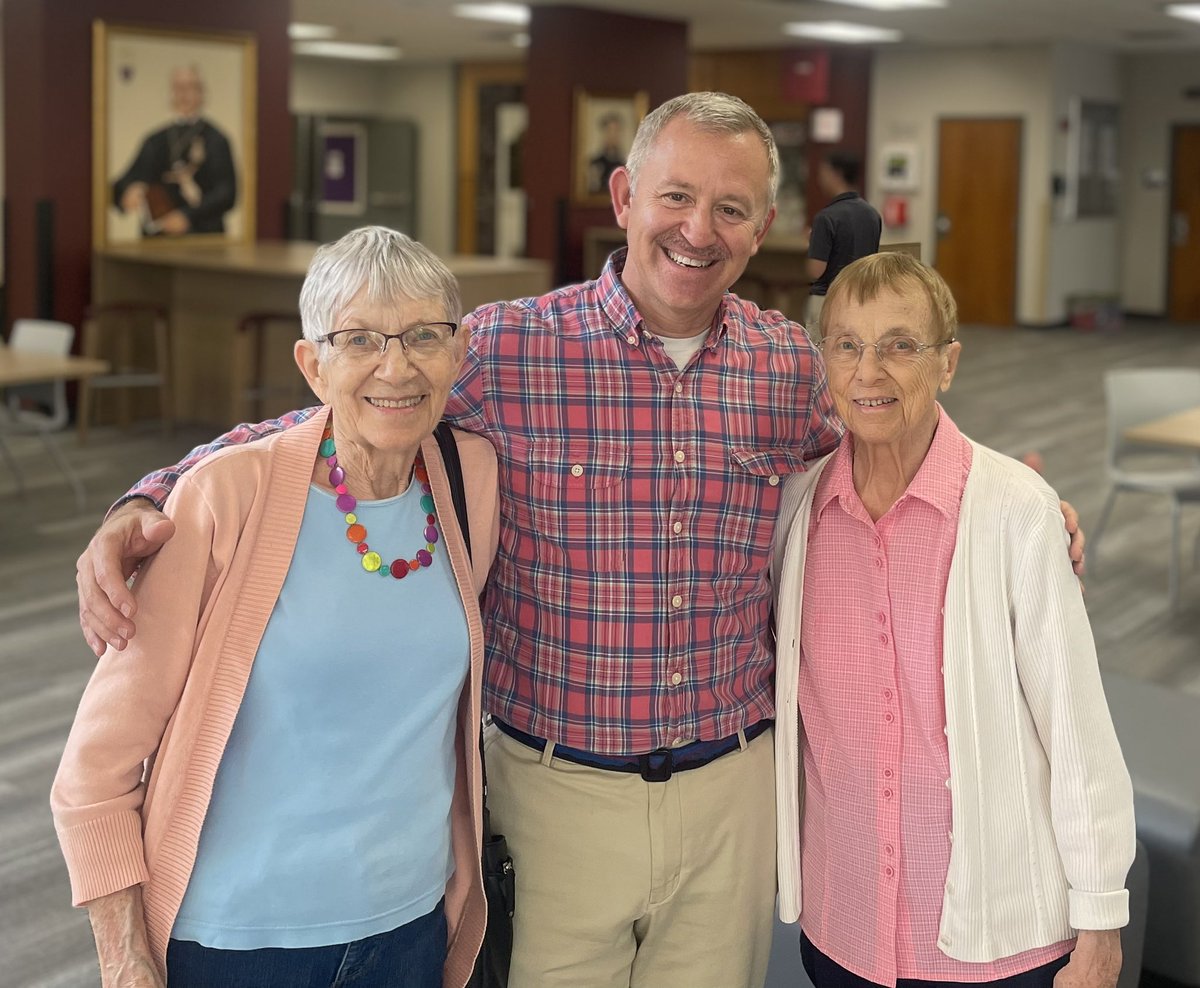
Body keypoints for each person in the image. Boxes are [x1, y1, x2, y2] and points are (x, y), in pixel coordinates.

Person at [74, 94, 1083, 988]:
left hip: (730, 788)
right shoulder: (511, 346)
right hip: (555, 793)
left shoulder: (788, 366)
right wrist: (146, 494)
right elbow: (342, 413)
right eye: (676, 197)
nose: (699, 229)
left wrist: (1015, 500)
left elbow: (891, 427)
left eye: (731, 209)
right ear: (624, 196)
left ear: (762, 226)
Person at [52, 227, 499, 988]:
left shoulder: (472, 480)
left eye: (425, 335)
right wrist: (125, 958)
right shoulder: (226, 497)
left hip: (410, 930)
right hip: (236, 943)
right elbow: (95, 766)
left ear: (458, 355)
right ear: (312, 365)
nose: (397, 365)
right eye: (359, 339)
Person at [771, 252, 1134, 988]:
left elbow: (1075, 724)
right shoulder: (794, 513)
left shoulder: (1015, 509)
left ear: (947, 364)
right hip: (843, 933)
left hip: (996, 946)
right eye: (847, 345)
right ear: (825, 363)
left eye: (900, 345)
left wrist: (1100, 923)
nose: (869, 371)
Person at [112, 65, 237, 236]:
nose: (184, 94)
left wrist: (187, 216)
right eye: (178, 88)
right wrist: (128, 191)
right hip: (158, 239)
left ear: (202, 93)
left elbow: (227, 193)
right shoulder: (155, 140)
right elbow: (127, 180)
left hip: (203, 237)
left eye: (191, 87)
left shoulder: (216, 140)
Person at [804, 152, 881, 330]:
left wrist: (814, 244)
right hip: (861, 299)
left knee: (822, 355)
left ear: (836, 173)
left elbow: (816, 270)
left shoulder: (826, 217)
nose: (820, 178)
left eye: (823, 172)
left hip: (827, 300)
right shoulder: (872, 214)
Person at [587, 111, 628, 195]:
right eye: (610, 130)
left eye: (616, 131)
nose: (613, 135)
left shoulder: (626, 163)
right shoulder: (595, 163)